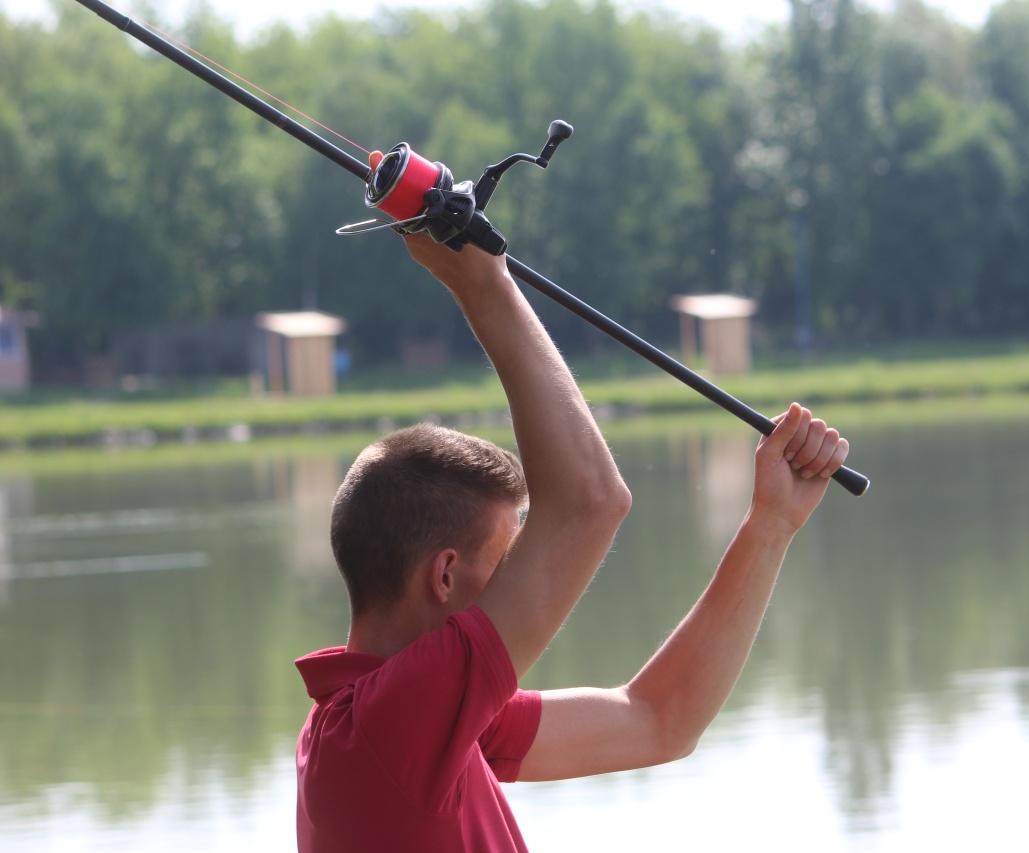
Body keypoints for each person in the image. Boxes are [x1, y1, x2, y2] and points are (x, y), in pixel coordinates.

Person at [294, 153, 850, 853]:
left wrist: (770, 524)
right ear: (445, 574)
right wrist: (482, 282)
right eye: (509, 558)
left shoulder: (402, 724)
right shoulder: (390, 726)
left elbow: (659, 719)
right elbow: (591, 502)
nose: (527, 575)